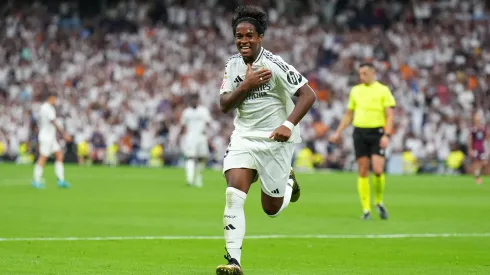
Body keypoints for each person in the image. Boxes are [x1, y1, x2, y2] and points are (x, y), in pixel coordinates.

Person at [215, 6, 316, 275]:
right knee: (233, 195)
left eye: (249, 35)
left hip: (275, 140)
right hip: (244, 138)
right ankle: (233, 262)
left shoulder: (275, 64)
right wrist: (245, 86)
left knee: (270, 209)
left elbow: (308, 95)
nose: (243, 41)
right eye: (239, 36)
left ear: (260, 37)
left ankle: (289, 182)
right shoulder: (232, 64)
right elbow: (224, 105)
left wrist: (288, 124)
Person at [329, 62, 396, 220]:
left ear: (373, 73)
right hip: (359, 132)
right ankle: (366, 210)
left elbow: (390, 115)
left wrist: (387, 135)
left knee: (378, 170)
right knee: (363, 170)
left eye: (365, 73)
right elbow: (349, 114)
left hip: (377, 132)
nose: (362, 76)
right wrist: (338, 132)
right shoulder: (355, 91)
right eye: (360, 74)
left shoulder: (383, 90)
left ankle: (378, 201)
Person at [32, 92, 72, 189]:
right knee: (43, 158)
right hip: (46, 137)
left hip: (51, 137)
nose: (56, 101)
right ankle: (36, 180)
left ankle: (61, 180)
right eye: (55, 99)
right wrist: (64, 134)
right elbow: (53, 121)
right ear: (51, 98)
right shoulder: (46, 108)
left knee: (59, 155)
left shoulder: (49, 108)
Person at [180, 94, 211, 187]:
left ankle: (198, 179)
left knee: (202, 158)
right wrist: (180, 137)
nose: (194, 102)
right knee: (190, 157)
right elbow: (183, 125)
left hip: (201, 137)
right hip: (190, 137)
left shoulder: (203, 111)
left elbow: (208, 123)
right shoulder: (186, 112)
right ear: (190, 101)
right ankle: (189, 179)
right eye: (192, 100)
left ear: (198, 101)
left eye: (195, 100)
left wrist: (210, 135)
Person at [468, 113, 488, 184]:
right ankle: (477, 178)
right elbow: (470, 140)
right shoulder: (473, 129)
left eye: (478, 119)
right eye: (476, 119)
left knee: (484, 162)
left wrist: (487, 146)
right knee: (476, 163)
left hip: (482, 148)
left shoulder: (482, 128)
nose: (477, 120)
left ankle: (477, 174)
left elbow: (486, 137)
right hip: (475, 148)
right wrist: (470, 149)